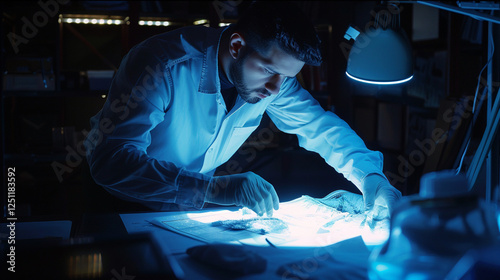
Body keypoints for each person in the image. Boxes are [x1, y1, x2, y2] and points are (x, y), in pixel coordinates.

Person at [84, 1, 401, 217]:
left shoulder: (274, 83)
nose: (275, 89)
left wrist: (371, 176)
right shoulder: (160, 65)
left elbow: (320, 127)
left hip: (185, 210)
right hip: (119, 207)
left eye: (287, 77)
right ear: (236, 47)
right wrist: (216, 187)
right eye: (268, 70)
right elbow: (113, 162)